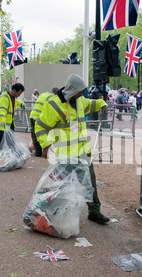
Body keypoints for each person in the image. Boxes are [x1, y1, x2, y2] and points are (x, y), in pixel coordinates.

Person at [34, 74, 109, 225]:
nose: (83, 94)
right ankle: (44, 210)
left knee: (90, 183)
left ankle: (94, 212)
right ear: (72, 90)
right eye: (80, 91)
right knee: (56, 185)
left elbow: (91, 103)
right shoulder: (53, 105)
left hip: (82, 152)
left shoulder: (80, 100)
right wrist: (45, 144)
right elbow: (40, 126)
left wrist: (102, 104)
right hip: (64, 155)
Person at [0, 83, 25, 153]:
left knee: (10, 142)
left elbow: (16, 102)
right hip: (1, 125)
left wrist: (22, 104)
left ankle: (11, 157)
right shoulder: (5, 98)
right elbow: (1, 111)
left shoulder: (12, 97)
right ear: (14, 90)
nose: (19, 95)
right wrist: (2, 121)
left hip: (8, 124)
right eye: (19, 93)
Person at [29, 87, 59, 156]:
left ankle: (37, 152)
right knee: (40, 133)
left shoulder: (43, 94)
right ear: (56, 93)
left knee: (34, 134)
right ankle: (40, 152)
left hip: (33, 115)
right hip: (39, 117)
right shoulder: (52, 97)